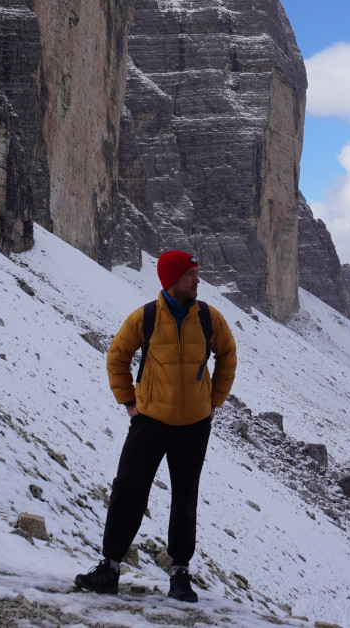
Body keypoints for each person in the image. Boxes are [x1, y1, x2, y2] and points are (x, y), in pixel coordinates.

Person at [73, 249, 236, 603]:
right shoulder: (145, 318)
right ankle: (110, 567)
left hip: (194, 425)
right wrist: (129, 402)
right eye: (192, 274)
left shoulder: (209, 318)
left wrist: (214, 401)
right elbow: (117, 355)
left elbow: (228, 354)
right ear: (173, 279)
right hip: (149, 422)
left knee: (184, 498)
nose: (198, 280)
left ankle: (179, 575)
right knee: (129, 490)